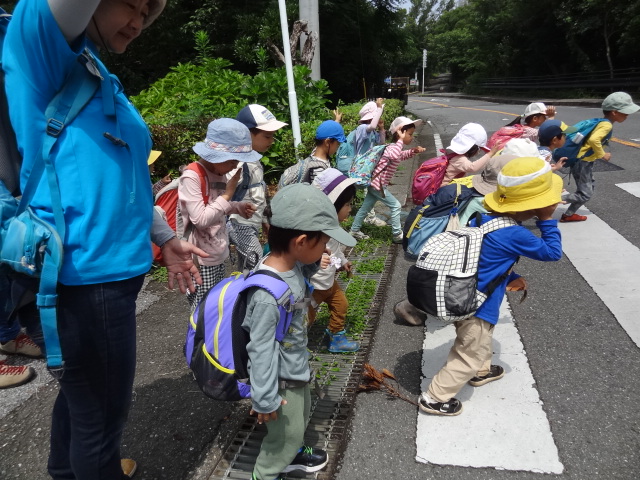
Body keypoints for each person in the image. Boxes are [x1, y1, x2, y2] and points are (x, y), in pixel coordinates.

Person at [3, 1, 207, 478]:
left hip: (105, 277)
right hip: (80, 279)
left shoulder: (95, 71)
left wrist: (162, 234)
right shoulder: (42, 55)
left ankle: (65, 471)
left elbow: (122, 182)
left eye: (149, 10)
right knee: (101, 423)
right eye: (130, 4)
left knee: (84, 399)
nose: (139, 20)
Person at [419, 157, 563, 416]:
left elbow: (484, 259)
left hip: (466, 292)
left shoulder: (482, 219)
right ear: (533, 205)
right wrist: (547, 218)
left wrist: (510, 275)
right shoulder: (515, 234)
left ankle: (482, 371)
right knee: (468, 352)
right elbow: (552, 252)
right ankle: (435, 398)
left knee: (481, 338)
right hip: (477, 304)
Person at [242, 183, 356, 480]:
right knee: (283, 434)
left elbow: (301, 277)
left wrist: (316, 260)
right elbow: (261, 348)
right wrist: (264, 398)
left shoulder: (288, 264)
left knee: (300, 418)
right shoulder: (269, 295)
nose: (326, 249)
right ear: (302, 241)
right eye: (323, 243)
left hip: (295, 369)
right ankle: (266, 473)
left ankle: (292, 454)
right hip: (280, 380)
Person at [180, 118, 259, 311]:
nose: (235, 166)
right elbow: (200, 219)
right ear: (216, 156)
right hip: (201, 259)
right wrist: (229, 194)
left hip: (217, 252)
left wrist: (237, 206)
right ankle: (198, 342)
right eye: (232, 160)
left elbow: (216, 205)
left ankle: (212, 341)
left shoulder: (219, 173)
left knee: (216, 307)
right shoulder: (192, 176)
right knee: (202, 312)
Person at [561, 92, 639, 222]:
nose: (627, 115)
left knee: (588, 189)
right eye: (625, 113)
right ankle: (551, 200)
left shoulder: (601, 122)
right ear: (614, 112)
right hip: (583, 162)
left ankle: (569, 214)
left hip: (583, 161)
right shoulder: (606, 125)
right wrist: (603, 154)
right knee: (585, 194)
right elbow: (593, 140)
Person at [228, 104, 287, 270]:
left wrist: (263, 221)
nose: (272, 141)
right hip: (239, 224)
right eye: (267, 136)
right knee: (258, 265)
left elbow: (257, 192)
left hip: (251, 224)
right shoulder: (237, 163)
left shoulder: (254, 159)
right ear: (247, 134)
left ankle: (241, 294)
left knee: (245, 269)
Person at [349, 116, 425, 244]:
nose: (412, 137)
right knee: (395, 206)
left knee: (365, 208)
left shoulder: (394, 147)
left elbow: (400, 156)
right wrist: (401, 139)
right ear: (400, 132)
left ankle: (354, 230)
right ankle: (397, 234)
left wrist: (413, 151)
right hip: (378, 185)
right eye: (410, 134)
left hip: (376, 185)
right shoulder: (392, 147)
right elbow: (395, 154)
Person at [309, 169, 360, 353]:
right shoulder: (314, 229)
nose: (350, 209)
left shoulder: (334, 227)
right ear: (332, 205)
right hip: (313, 286)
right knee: (306, 317)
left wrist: (342, 262)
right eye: (346, 204)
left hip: (329, 282)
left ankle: (336, 335)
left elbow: (336, 250)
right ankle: (293, 346)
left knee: (341, 305)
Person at [353, 98, 388, 227]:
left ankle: (368, 216)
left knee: (369, 190)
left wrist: (382, 129)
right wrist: (379, 108)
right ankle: (369, 217)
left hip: (369, 165)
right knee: (368, 191)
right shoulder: (362, 128)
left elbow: (381, 143)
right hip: (362, 166)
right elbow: (372, 125)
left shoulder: (371, 130)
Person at [440, 123, 501, 188]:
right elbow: (473, 167)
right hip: (445, 189)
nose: (478, 152)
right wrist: (490, 153)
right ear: (473, 148)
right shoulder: (459, 159)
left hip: (448, 186)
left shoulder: (452, 153)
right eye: (479, 149)